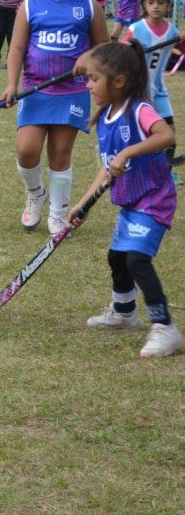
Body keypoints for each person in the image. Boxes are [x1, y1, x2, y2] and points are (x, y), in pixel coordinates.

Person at [70, 41, 182, 358]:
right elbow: (106, 170)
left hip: (154, 198)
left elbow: (166, 136)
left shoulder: (139, 109)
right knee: (117, 258)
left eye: (94, 79)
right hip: (131, 202)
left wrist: (129, 151)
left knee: (136, 259)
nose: (88, 85)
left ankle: (165, 328)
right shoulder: (106, 117)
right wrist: (82, 204)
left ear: (118, 81)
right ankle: (124, 313)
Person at [2, 0, 109, 236]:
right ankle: (36, 193)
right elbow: (18, 47)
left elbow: (103, 50)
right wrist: (12, 83)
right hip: (35, 91)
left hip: (72, 93)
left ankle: (59, 213)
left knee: (60, 155)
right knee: (26, 151)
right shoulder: (30, 4)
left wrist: (89, 61)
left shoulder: (89, 6)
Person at [124, 0, 182, 185]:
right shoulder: (136, 29)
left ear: (168, 6)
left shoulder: (172, 30)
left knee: (169, 132)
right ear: (144, 5)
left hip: (159, 90)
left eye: (161, 2)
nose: (156, 6)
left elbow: (177, 50)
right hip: (138, 91)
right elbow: (121, 54)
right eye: (151, 2)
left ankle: (166, 170)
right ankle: (133, 168)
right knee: (140, 134)